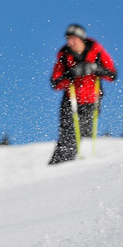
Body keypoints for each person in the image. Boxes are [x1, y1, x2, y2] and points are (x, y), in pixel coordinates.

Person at [48, 23, 117, 164]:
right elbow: (55, 82)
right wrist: (70, 75)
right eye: (68, 39)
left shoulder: (97, 51)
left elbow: (112, 74)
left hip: (92, 100)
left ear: (81, 39)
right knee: (69, 136)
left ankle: (85, 166)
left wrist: (96, 68)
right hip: (70, 101)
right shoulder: (64, 55)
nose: (70, 42)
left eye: (73, 38)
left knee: (85, 134)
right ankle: (59, 165)